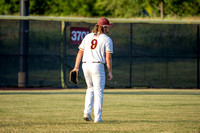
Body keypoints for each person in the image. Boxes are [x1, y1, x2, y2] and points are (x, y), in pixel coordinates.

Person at [73, 17, 113, 123]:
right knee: (98, 92)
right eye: (108, 27)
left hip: (85, 65)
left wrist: (76, 67)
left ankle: (86, 112)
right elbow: (108, 58)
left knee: (90, 89)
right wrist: (109, 71)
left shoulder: (87, 36)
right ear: (104, 27)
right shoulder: (107, 39)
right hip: (97, 66)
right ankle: (98, 118)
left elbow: (80, 52)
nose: (109, 29)